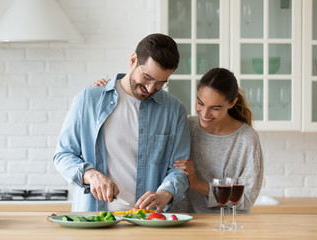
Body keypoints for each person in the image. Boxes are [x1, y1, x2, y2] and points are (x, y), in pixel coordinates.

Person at [53, 33, 191, 213]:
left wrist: (166, 193)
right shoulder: (89, 100)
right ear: (133, 60)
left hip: (147, 222)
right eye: (147, 77)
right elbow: (63, 155)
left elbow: (179, 168)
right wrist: (91, 175)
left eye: (160, 83)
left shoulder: (174, 110)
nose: (151, 89)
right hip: (93, 219)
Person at [172, 67, 263, 213]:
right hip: (188, 223)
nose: (205, 114)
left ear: (232, 103)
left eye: (215, 108)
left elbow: (247, 198)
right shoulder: (186, 127)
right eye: (200, 103)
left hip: (228, 226)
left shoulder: (247, 139)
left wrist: (198, 184)